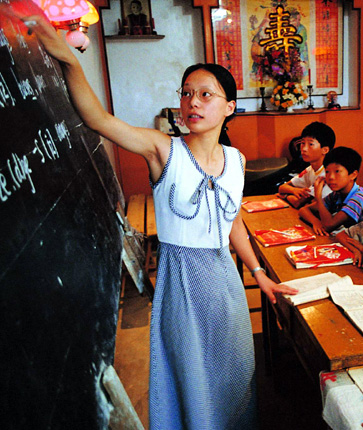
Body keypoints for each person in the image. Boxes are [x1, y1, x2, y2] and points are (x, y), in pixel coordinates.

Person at [20, 14, 297, 430]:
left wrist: (259, 274)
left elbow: (233, 218)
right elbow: (100, 120)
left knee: (235, 368)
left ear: (230, 106)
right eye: (187, 94)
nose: (194, 102)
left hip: (225, 279)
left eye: (207, 94)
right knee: (191, 376)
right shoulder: (163, 150)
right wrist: (72, 64)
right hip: (180, 281)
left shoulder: (236, 160)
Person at [298, 146, 363, 235]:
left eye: (337, 171)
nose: (331, 177)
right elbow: (303, 210)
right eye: (327, 172)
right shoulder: (336, 195)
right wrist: (316, 222)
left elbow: (329, 225)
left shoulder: (359, 198)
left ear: (353, 175)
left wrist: (318, 198)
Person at [278, 121, 336, 208]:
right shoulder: (310, 169)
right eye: (302, 143)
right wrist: (294, 190)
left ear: (325, 150)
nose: (304, 149)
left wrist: (285, 196)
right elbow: (282, 188)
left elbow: (297, 203)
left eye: (311, 144)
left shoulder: (327, 174)